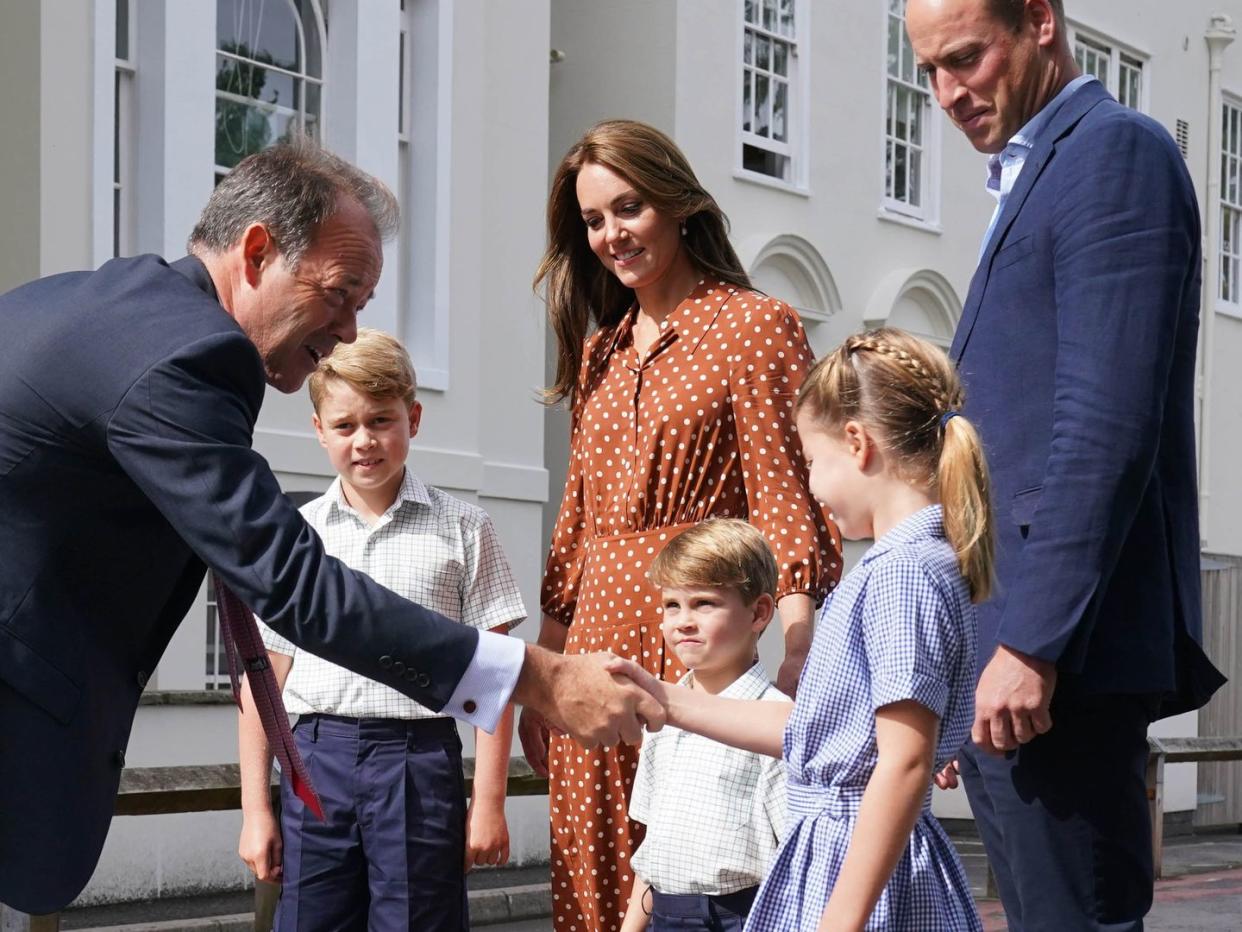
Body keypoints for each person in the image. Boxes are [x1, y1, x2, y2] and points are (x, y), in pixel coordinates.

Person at [0, 140, 663, 916]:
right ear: (256, 252)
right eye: (340, 293)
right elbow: (294, 586)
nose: (348, 332)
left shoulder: (77, 305)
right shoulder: (186, 356)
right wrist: (540, 676)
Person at [905, 1, 1227, 928]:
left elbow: (1103, 426)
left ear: (1039, 21)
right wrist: (974, 660)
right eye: (929, 69)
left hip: (1063, 665)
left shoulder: (1112, 154)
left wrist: (1030, 643)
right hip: (1016, 661)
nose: (946, 93)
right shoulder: (1036, 173)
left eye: (965, 58)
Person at [522, 119, 841, 931]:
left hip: (691, 635)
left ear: (677, 203)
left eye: (627, 208)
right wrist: (546, 677)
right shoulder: (602, 354)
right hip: (593, 640)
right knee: (591, 874)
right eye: (593, 220)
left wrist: (800, 642)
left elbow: (784, 490)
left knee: (701, 876)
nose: (610, 235)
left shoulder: (752, 324)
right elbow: (575, 529)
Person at [615, 329, 990, 930]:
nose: (812, 487)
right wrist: (662, 698)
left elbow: (902, 763)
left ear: (858, 443)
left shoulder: (899, 574)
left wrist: (839, 921)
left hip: (856, 872)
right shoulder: (911, 563)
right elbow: (820, 734)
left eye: (812, 463)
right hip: (854, 859)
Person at [234, 329, 524, 929]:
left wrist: (489, 801)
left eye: (380, 420)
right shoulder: (294, 534)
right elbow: (262, 682)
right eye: (344, 426)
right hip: (316, 759)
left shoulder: (464, 529)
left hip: (417, 765)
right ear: (319, 430)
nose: (363, 441)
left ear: (412, 418)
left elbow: (497, 673)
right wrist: (254, 810)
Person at [619, 519, 788, 932]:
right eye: (672, 605)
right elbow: (653, 844)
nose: (683, 621)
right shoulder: (661, 717)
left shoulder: (776, 723)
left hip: (741, 917)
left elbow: (796, 856)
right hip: (664, 913)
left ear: (759, 612)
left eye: (704, 603)